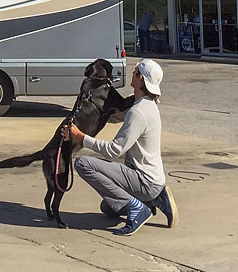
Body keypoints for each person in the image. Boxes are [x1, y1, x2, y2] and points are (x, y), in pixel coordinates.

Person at [61, 59, 178, 235]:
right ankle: (154, 199)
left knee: (83, 163)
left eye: (135, 71)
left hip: (144, 180)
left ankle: (139, 208)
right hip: (151, 179)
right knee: (108, 208)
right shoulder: (147, 104)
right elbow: (116, 117)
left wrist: (81, 137)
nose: (131, 73)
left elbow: (114, 151)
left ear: (140, 79)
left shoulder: (138, 112)